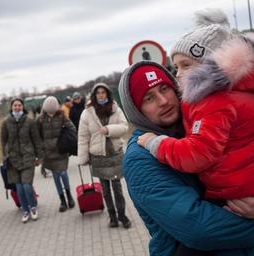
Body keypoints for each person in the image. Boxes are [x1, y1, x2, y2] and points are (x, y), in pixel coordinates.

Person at [118, 60, 254, 255]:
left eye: (164, 88)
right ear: (136, 111)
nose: (163, 101)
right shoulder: (139, 158)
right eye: (149, 98)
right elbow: (198, 228)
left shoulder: (198, 130)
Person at [137, 9, 254, 202]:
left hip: (236, 193)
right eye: (176, 67)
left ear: (210, 66)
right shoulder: (234, 92)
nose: (178, 74)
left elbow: (198, 154)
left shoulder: (215, 102)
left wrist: (155, 143)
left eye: (186, 65)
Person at [77, 82, 131, 228]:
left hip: (114, 153)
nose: (101, 95)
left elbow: (124, 127)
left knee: (117, 188)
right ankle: (112, 217)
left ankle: (122, 215)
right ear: (94, 95)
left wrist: (108, 129)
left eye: (103, 92)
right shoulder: (87, 113)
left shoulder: (115, 108)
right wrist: (82, 157)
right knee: (105, 190)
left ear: (107, 94)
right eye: (98, 93)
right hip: (98, 155)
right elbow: (83, 136)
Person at [0, 97, 43, 223]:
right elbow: (3, 141)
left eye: (19, 105)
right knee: (19, 188)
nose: (17, 107)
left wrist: (39, 157)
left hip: (28, 157)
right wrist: (5, 156)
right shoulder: (6, 122)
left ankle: (33, 207)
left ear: (22, 107)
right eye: (15, 105)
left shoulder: (29, 121)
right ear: (12, 107)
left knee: (26, 186)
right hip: (13, 160)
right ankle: (25, 210)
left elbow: (36, 140)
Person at [37, 96, 75, 212]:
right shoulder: (40, 119)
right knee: (56, 176)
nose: (51, 111)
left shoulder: (61, 115)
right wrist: (41, 150)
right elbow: (37, 136)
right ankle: (62, 200)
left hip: (61, 150)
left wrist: (66, 137)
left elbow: (72, 128)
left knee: (63, 173)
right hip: (48, 153)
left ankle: (69, 195)